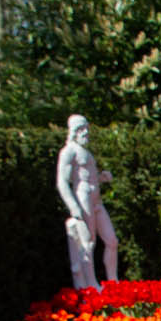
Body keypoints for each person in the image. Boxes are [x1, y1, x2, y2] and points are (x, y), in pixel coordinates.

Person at [56, 115, 120, 288]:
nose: (86, 132)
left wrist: (101, 178)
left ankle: (113, 282)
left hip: (96, 199)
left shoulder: (85, 152)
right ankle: (91, 285)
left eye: (86, 128)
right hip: (83, 196)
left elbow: (88, 176)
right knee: (88, 242)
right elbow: (62, 181)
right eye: (82, 129)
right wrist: (73, 206)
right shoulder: (68, 151)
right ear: (74, 130)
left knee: (112, 241)